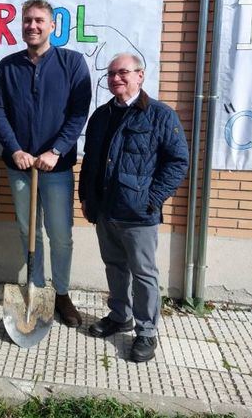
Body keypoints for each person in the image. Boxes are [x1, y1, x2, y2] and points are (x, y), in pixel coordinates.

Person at [79, 53, 189, 362]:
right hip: (105, 209)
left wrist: (152, 199)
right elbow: (90, 161)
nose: (116, 78)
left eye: (123, 73)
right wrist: (86, 196)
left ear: (140, 76)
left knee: (143, 274)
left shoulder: (159, 115)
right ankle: (119, 316)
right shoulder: (100, 116)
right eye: (112, 74)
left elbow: (178, 161)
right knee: (114, 266)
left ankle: (146, 332)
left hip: (138, 214)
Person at [0, 0, 91, 327]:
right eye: (27, 20)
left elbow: (78, 113)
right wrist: (16, 149)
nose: (32, 26)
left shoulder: (72, 64)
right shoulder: (8, 66)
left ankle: (60, 293)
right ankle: (35, 288)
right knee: (28, 231)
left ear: (52, 26)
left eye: (39, 21)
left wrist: (56, 150)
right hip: (20, 166)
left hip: (56, 168)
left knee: (60, 233)